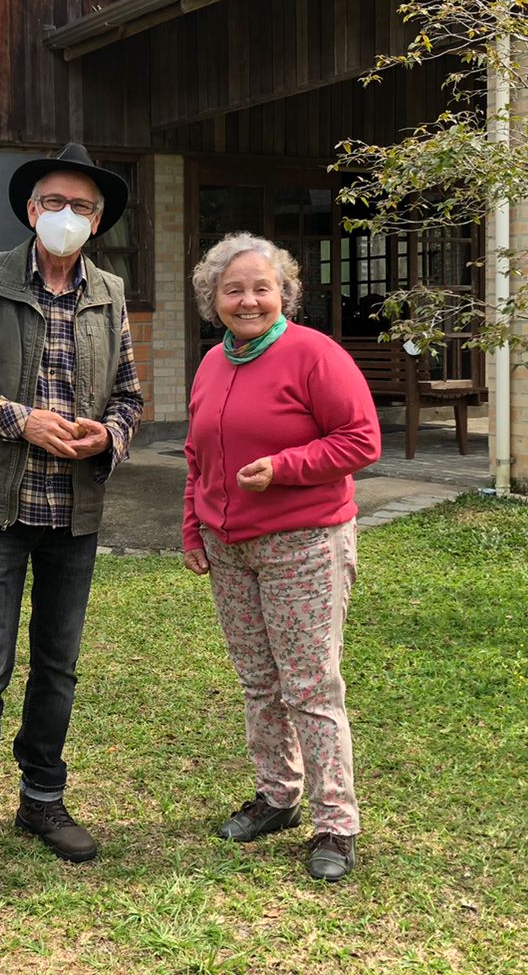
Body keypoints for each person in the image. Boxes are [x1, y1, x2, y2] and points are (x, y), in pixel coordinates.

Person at [0, 142, 144, 906]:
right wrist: (22, 422)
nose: (67, 216)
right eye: (54, 203)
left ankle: (43, 802)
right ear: (31, 210)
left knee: (59, 666)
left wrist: (108, 437)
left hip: (75, 511)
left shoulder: (109, 294)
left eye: (82, 208)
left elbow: (128, 396)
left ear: (96, 223)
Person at [181, 232, 381, 883]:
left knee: (310, 687)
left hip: (304, 544)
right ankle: (277, 797)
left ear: (284, 293)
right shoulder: (212, 364)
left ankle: (336, 825)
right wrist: (194, 526)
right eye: (233, 289)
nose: (248, 300)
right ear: (214, 299)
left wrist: (288, 467)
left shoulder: (314, 355)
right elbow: (197, 456)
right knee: (259, 684)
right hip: (230, 548)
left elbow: (361, 440)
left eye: (261, 288)